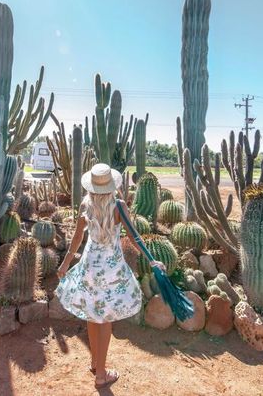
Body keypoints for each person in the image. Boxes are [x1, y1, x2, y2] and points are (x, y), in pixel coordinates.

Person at [55, 163, 166, 389]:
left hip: (89, 265)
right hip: (111, 269)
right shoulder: (119, 206)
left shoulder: (85, 204)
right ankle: (101, 375)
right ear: (112, 185)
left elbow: (77, 239)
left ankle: (96, 363)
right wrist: (151, 258)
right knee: (104, 318)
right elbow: (134, 237)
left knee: (91, 314)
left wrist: (66, 263)